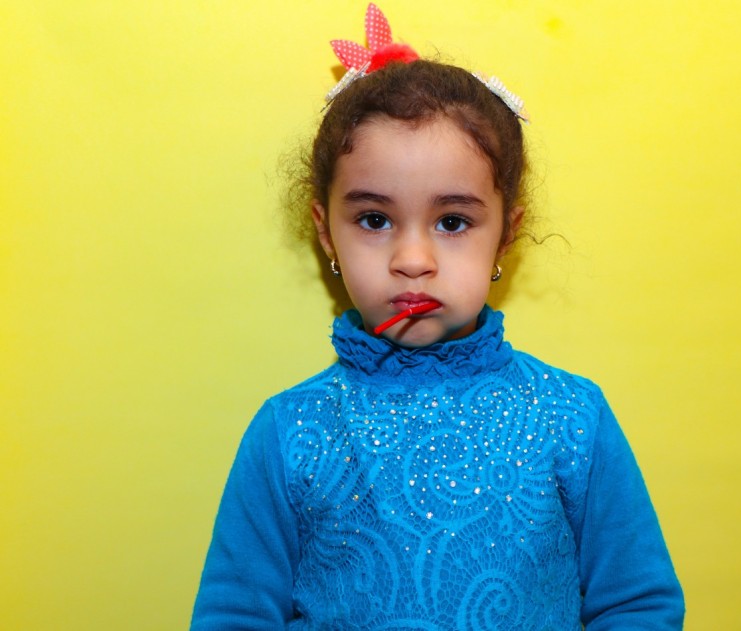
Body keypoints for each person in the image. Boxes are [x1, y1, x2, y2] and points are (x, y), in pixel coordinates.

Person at [191, 5, 684, 629]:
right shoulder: (291, 432)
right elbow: (234, 615)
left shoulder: (570, 417)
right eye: (375, 219)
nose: (413, 260)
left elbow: (637, 604)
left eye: (452, 222)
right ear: (326, 232)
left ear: (506, 233)